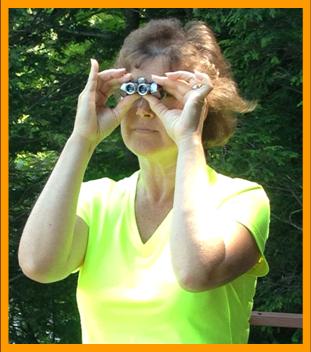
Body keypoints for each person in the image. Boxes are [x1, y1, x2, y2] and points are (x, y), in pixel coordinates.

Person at [18, 18, 270, 344]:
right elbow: (39, 265)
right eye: (134, 89)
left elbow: (196, 272)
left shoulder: (240, 199)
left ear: (205, 105)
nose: (145, 109)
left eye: (163, 93)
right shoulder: (98, 200)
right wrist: (82, 138)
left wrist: (188, 139)